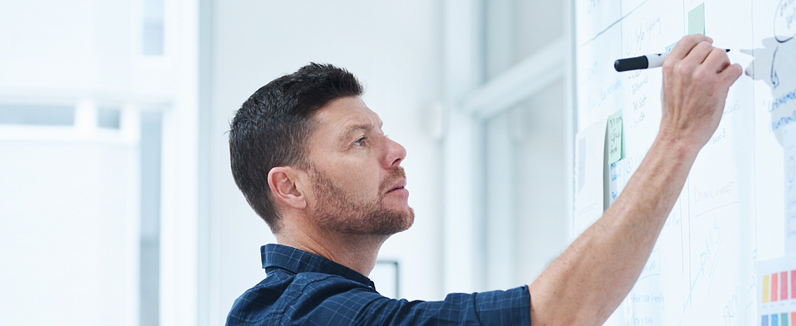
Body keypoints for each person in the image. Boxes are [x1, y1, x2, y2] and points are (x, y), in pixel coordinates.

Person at [226, 34, 741, 326]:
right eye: (359, 141)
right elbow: (554, 315)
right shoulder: (310, 317)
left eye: (383, 132)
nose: (396, 151)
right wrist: (678, 136)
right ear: (290, 187)